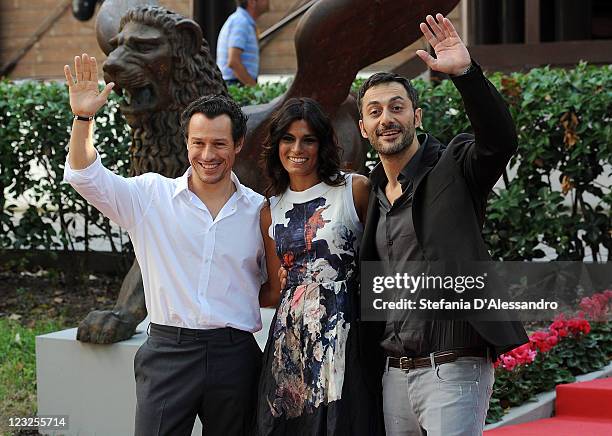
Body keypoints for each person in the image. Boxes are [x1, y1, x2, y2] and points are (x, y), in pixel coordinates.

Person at [63, 54, 267, 435]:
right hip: (168, 353)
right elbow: (84, 176)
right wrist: (83, 119)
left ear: (238, 144)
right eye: (198, 143)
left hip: (235, 355)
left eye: (219, 144)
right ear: (186, 141)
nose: (208, 155)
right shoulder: (150, 196)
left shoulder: (259, 210)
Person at [356, 14, 529, 435]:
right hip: (394, 373)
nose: (386, 119)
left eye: (396, 108)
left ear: (416, 117)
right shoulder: (371, 195)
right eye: (375, 112)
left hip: (454, 368)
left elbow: (499, 140)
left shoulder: (453, 165)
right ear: (364, 129)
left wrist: (467, 75)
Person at [256, 98, 382, 435]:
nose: (298, 148)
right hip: (290, 340)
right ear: (277, 145)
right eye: (288, 138)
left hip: (345, 333)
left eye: (308, 139)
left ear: (322, 144)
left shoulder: (353, 189)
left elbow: (381, 263)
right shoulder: (269, 209)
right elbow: (272, 292)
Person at [217, 0, 269, 87]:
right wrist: (255, 89)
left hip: (237, 83)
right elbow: (233, 62)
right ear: (252, 2)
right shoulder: (241, 22)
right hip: (235, 85)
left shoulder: (242, 21)